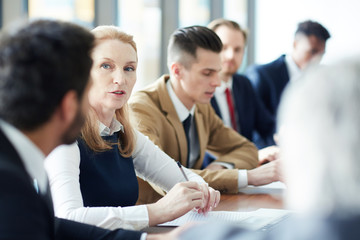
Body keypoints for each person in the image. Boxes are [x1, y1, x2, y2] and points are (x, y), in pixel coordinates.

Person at [0, 19, 176, 240]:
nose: (119, 80)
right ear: (69, 104)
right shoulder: (8, 180)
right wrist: (153, 215)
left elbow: (58, 226)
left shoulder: (16, 160)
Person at [44, 25, 220, 232]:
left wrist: (202, 188)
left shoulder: (122, 134)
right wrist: (156, 211)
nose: (121, 79)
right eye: (106, 66)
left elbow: (180, 175)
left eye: (129, 68)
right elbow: (69, 217)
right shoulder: (65, 140)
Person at [173, 57, 360, 240]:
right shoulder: (197, 103)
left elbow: (248, 146)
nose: (230, 57)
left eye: (238, 49)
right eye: (207, 72)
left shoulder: (241, 86)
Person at [129, 26, 282, 204]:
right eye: (207, 73)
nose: (217, 83)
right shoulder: (140, 109)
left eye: (218, 72)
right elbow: (168, 180)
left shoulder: (201, 105)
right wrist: (248, 177)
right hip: (153, 220)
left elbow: (247, 149)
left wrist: (220, 167)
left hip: (194, 212)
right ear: (177, 71)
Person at [208, 19, 276, 149]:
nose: (230, 56)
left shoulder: (244, 84)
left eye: (237, 49)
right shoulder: (198, 90)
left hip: (247, 164)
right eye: (224, 47)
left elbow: (268, 127)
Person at [246, 20, 331, 124]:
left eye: (321, 55)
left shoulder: (323, 79)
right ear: (295, 44)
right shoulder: (263, 75)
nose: (316, 60)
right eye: (312, 52)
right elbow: (257, 126)